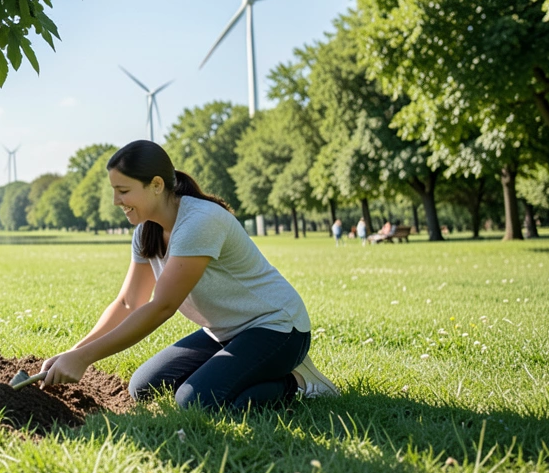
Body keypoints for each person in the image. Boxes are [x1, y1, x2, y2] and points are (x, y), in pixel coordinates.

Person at [36, 140, 338, 410]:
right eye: (114, 190)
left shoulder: (199, 222)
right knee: (143, 388)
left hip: (277, 328)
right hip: (224, 332)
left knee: (196, 401)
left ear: (156, 184)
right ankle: (247, 370)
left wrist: (85, 359)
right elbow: (129, 302)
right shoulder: (145, 231)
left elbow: (163, 305)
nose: (116, 201)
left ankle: (297, 384)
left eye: (123, 191)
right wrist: (73, 352)